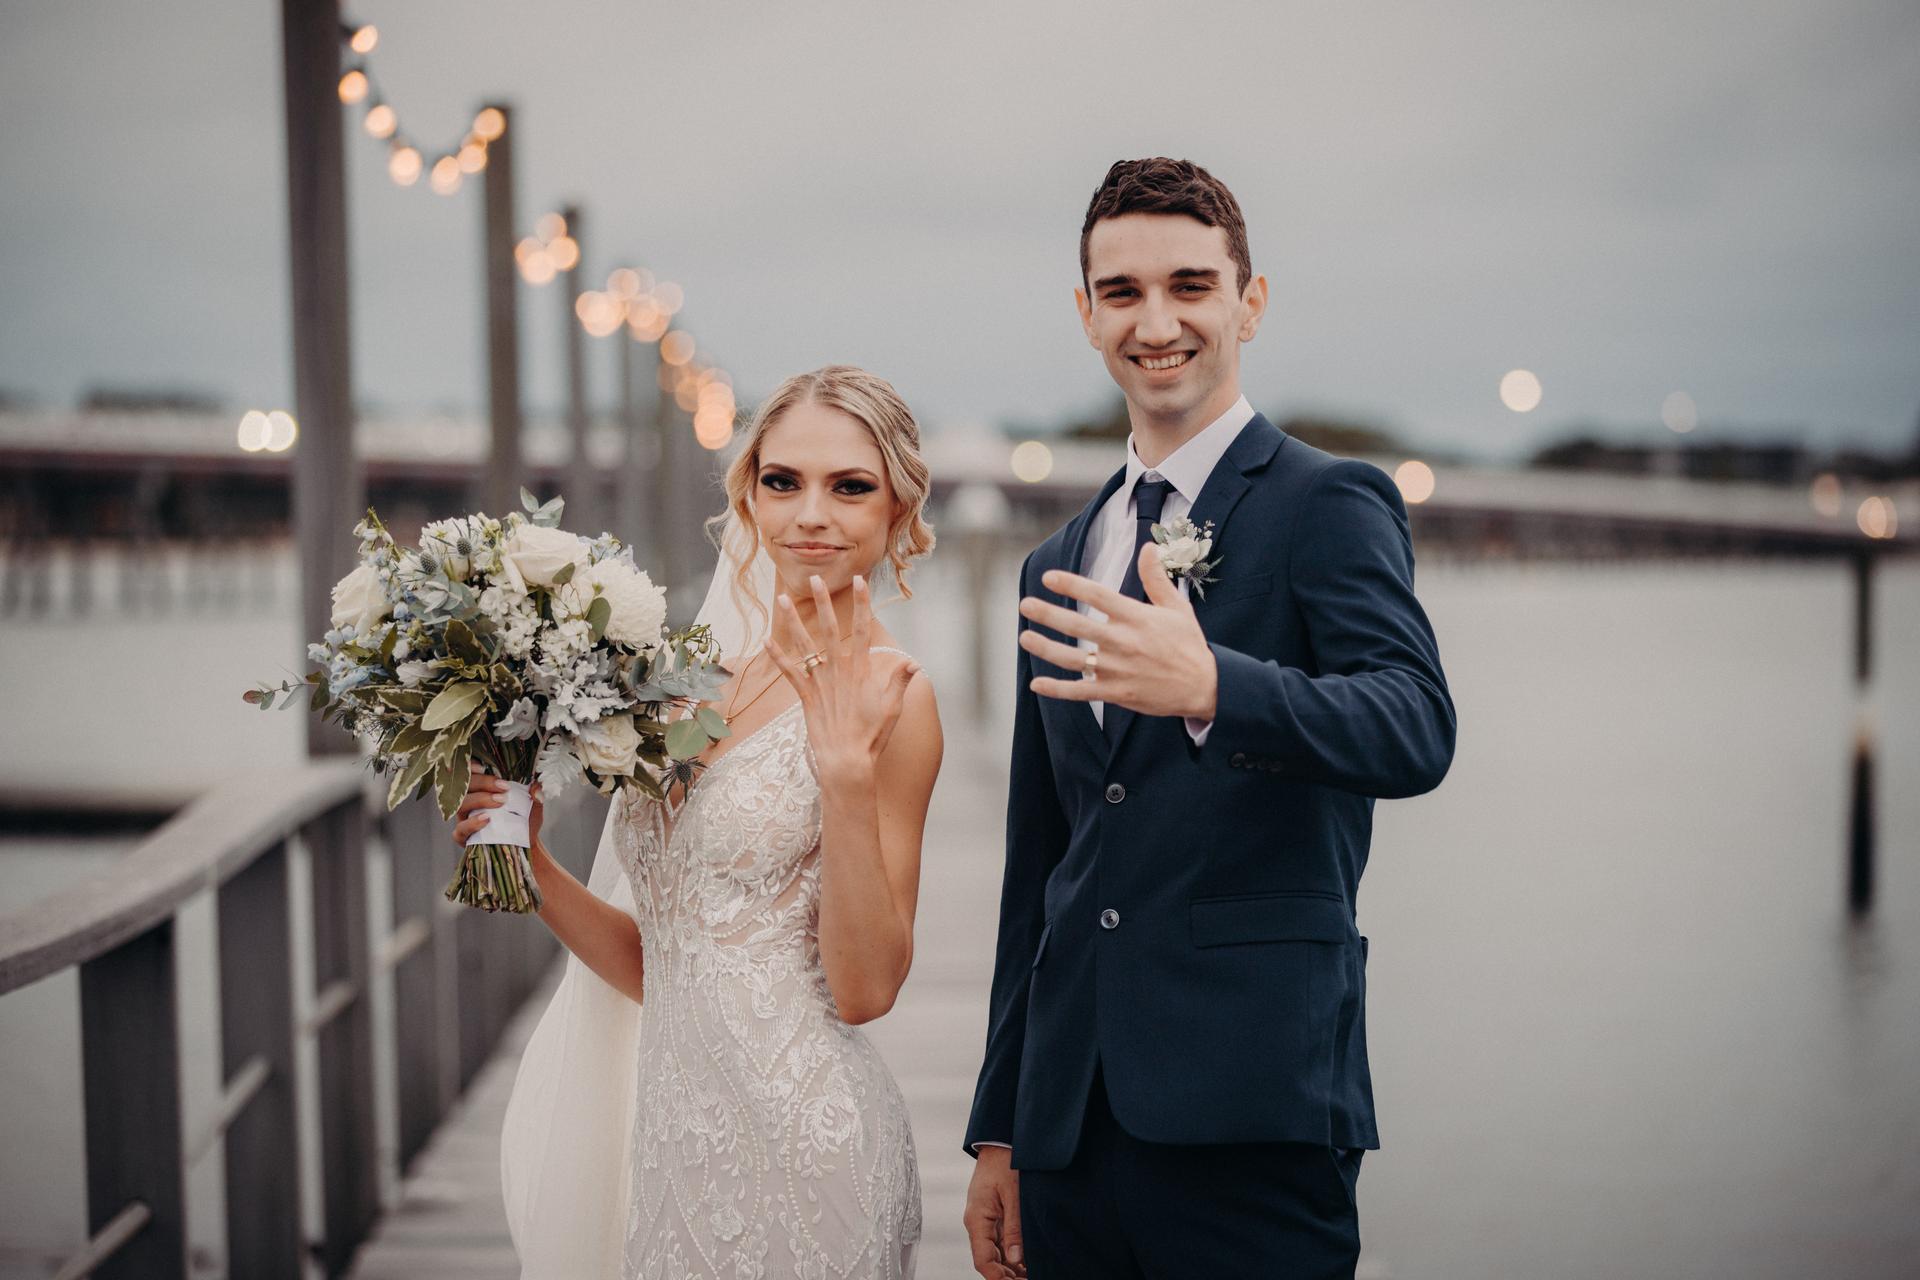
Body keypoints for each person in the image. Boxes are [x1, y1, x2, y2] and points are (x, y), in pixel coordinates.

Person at [962, 158, 1457, 1278]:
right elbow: (1039, 865)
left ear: (1250, 301)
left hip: (1257, 1109)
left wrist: (1217, 685)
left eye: (1191, 284)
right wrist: (1001, 1125)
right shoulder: (1056, 561)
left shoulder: (1327, 501)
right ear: (1085, 314)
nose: (1159, 322)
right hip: (1072, 1129)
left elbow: (1415, 723)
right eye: (1123, 292)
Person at [465, 365, 944, 1279]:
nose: (811, 513)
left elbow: (865, 990)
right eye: (783, 481)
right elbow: (669, 961)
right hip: (676, 1146)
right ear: (751, 497)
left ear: (897, 509)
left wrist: (842, 778)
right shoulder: (702, 681)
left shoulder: (898, 698)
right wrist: (530, 864)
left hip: (809, 1149)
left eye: (850, 487)